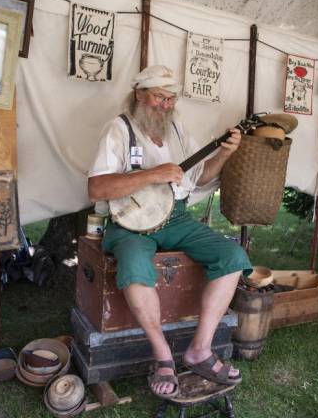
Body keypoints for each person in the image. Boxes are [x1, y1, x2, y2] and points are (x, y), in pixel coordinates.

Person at [88, 65, 252, 398]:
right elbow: (97, 188)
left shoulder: (177, 129)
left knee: (233, 256)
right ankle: (163, 355)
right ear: (139, 95)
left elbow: (201, 178)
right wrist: (152, 174)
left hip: (175, 218)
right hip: (129, 223)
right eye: (159, 97)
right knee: (135, 268)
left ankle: (200, 350)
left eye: (170, 99)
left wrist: (224, 153)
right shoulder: (119, 129)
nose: (165, 105)